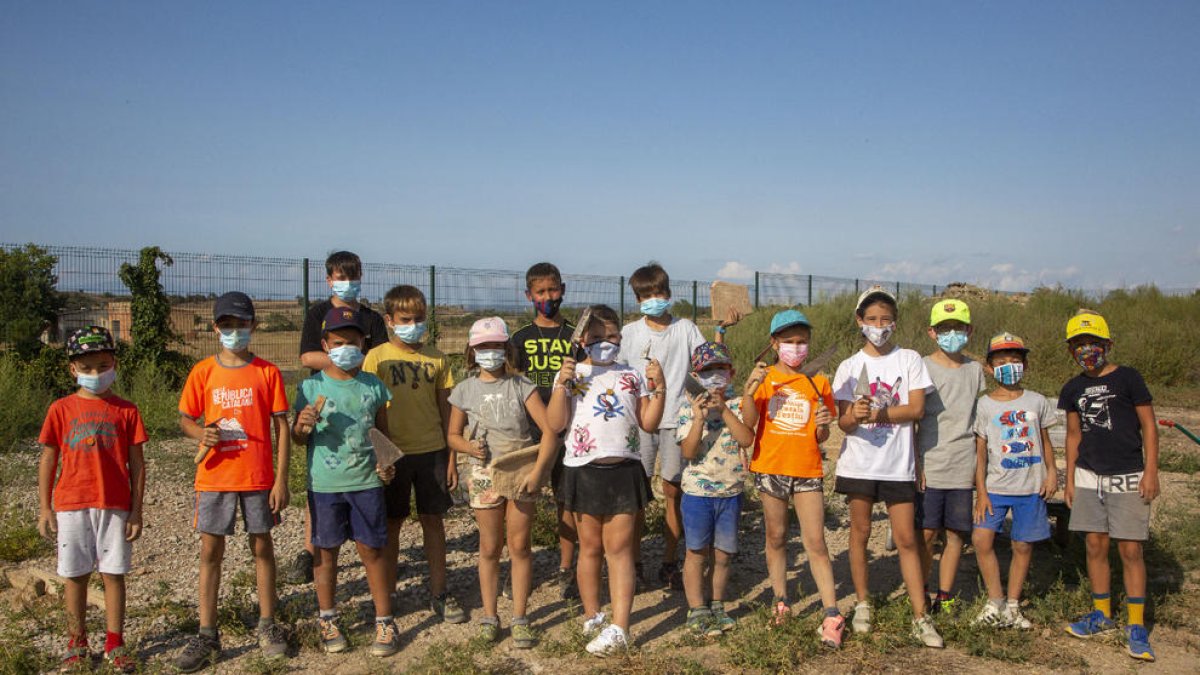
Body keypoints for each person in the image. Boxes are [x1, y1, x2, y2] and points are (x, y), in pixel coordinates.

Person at [174, 292, 291, 672]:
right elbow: (186, 418)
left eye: (241, 325)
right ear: (215, 328)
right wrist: (199, 434)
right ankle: (207, 633)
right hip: (214, 479)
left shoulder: (267, 373)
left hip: (257, 477)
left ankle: (268, 624)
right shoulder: (203, 372)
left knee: (262, 549)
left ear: (254, 327)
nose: (234, 331)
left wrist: (281, 479)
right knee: (211, 553)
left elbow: (282, 427)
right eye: (227, 325)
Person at [548, 304, 665, 656]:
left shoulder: (632, 375)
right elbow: (555, 424)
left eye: (612, 336)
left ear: (621, 337)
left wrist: (659, 389)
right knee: (590, 548)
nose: (605, 342)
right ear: (582, 339)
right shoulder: (572, 373)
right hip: (583, 470)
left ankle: (620, 627)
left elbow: (649, 423)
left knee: (619, 552)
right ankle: (593, 614)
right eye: (596, 337)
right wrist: (561, 384)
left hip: (624, 472)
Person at [832, 286, 942, 648]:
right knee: (860, 533)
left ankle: (919, 614)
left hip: (897, 466)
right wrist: (853, 415)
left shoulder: (909, 359)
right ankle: (863, 603)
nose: (879, 326)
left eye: (886, 320)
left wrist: (877, 413)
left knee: (907, 538)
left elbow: (916, 410)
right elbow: (844, 424)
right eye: (872, 319)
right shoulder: (849, 367)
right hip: (860, 464)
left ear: (894, 322)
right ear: (859, 321)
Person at [37, 326, 146, 673]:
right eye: (87, 368)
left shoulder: (127, 411)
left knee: (113, 574)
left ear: (114, 364)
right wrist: (45, 506)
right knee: (76, 574)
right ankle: (77, 641)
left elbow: (137, 463)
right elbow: (48, 459)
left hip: (114, 505)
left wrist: (136, 510)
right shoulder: (60, 409)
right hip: (72, 504)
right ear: (73, 369)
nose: (95, 374)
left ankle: (115, 642)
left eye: (102, 366)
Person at [291, 307, 399, 657]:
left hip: (366, 482)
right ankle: (327, 618)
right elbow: (298, 438)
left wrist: (387, 463)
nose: (346, 348)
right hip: (325, 484)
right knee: (326, 554)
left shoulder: (373, 386)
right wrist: (302, 426)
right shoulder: (309, 388)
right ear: (324, 345)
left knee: (372, 550)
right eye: (338, 342)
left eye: (353, 342)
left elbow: (383, 434)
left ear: (363, 344)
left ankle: (384, 619)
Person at [448, 317, 559, 648]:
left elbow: (549, 428)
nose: (490, 352)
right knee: (489, 547)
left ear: (506, 348)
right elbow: (452, 435)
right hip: (483, 473)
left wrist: (539, 470)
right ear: (472, 350)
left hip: (521, 471)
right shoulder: (464, 390)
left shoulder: (521, 386)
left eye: (496, 345)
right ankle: (490, 615)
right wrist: (468, 447)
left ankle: (521, 616)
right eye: (483, 346)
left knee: (521, 546)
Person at [1059, 311, 1160, 662]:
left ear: (1108, 344)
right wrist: (1070, 479)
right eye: (1079, 344)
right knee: (1095, 545)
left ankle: (1136, 624)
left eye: (1093, 343)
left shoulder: (1129, 378)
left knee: (1130, 549)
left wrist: (1151, 471)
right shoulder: (1072, 388)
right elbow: (1073, 436)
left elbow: (1149, 426)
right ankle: (1102, 614)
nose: (1087, 349)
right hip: (1088, 476)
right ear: (1071, 350)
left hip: (1128, 475)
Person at [361, 284, 463, 622]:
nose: (414, 324)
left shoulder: (437, 357)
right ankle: (387, 595)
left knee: (433, 523)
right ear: (389, 320)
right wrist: (379, 454)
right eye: (406, 318)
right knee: (392, 524)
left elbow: (447, 408)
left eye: (419, 318)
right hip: (393, 455)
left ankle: (440, 592)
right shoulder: (376, 358)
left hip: (432, 450)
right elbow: (370, 410)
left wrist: (451, 456)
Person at [742, 310, 844, 646]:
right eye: (789, 341)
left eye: (802, 342)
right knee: (776, 537)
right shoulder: (765, 379)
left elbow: (821, 435)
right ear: (774, 344)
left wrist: (825, 423)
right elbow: (748, 422)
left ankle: (831, 612)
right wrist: (748, 390)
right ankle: (781, 601)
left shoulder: (819, 381)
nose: (796, 348)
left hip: (807, 470)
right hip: (770, 467)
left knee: (816, 542)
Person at [288, 250, 391, 584]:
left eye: (353, 275)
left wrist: (350, 365)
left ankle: (376, 560)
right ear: (328, 279)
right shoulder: (318, 313)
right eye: (340, 276)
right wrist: (342, 364)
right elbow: (306, 356)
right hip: (331, 396)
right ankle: (310, 552)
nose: (347, 283)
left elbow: (378, 358)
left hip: (361, 400)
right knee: (323, 481)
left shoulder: (372, 318)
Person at [617, 262, 705, 590]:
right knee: (636, 496)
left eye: (659, 292)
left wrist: (722, 332)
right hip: (639, 421)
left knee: (673, 492)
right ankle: (634, 561)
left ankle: (669, 561)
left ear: (668, 293)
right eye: (646, 294)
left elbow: (704, 364)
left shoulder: (686, 329)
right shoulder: (629, 333)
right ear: (638, 298)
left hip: (675, 421)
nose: (654, 298)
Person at [509, 262, 586, 599]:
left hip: (568, 428)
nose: (547, 297)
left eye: (552, 290)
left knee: (565, 500)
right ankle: (517, 568)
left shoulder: (575, 335)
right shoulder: (521, 338)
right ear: (529, 295)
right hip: (529, 431)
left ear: (562, 290)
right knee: (522, 500)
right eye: (540, 292)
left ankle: (567, 568)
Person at [971, 332, 1058, 630]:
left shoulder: (1037, 401)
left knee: (1023, 545)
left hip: (1031, 488)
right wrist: (980, 491)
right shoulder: (984, 405)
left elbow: (1046, 441)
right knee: (981, 539)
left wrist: (1052, 472)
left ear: (1025, 364)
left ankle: (1012, 605)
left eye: (1016, 359)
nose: (1009, 365)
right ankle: (994, 600)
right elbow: (980, 452)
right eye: (1002, 360)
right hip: (995, 488)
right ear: (990, 366)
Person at [676, 342, 754, 637]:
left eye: (720, 368)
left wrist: (725, 410)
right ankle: (697, 609)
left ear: (731, 372)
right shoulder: (688, 409)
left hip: (731, 493)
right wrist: (699, 418)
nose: (715, 375)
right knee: (696, 552)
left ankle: (718, 605)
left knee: (723, 555)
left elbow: (746, 439)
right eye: (707, 370)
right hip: (697, 494)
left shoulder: (736, 405)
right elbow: (688, 451)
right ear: (696, 375)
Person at [915, 299, 987, 614]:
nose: (952, 334)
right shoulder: (922, 367)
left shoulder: (975, 371)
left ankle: (946, 596)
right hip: (931, 463)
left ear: (969, 330)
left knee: (957, 532)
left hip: (963, 463)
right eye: (945, 328)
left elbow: (978, 417)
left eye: (958, 327)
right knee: (927, 533)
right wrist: (916, 464)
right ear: (932, 332)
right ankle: (921, 592)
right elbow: (914, 420)